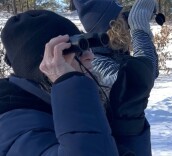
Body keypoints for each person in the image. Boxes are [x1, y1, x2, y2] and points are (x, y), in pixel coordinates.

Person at [0, 10, 119, 155]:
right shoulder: (13, 127)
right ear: (45, 63)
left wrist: (129, 125)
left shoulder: (51, 104)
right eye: (77, 48)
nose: (90, 55)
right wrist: (70, 86)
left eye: (87, 45)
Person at [73, 0, 159, 155]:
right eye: (122, 16)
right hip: (121, 146)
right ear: (112, 25)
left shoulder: (115, 54)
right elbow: (138, 82)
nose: (127, 21)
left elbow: (149, 71)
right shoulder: (95, 62)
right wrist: (139, 31)